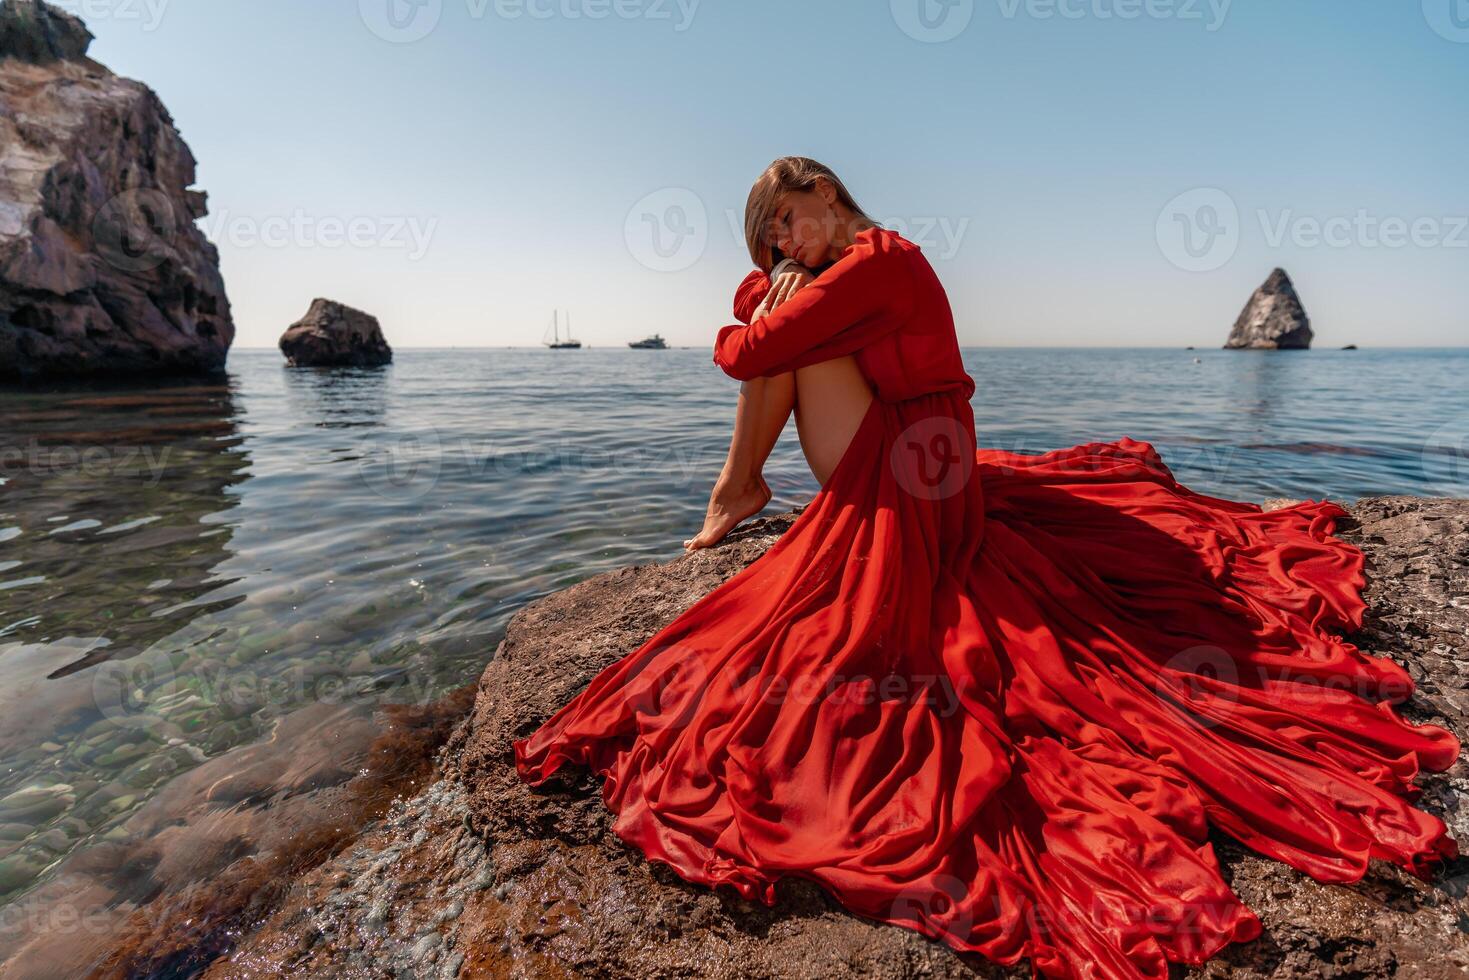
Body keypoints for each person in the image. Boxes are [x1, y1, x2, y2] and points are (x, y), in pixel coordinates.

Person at [513, 156, 1460, 979]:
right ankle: (739, 488)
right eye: (769, 238)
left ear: (826, 191)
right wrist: (777, 290)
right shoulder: (852, 264)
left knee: (780, 351)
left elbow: (743, 352)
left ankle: (735, 490)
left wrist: (770, 306)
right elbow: (757, 315)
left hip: (915, 463)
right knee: (786, 335)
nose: (784, 244)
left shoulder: (877, 262)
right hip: (931, 452)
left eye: (787, 222)